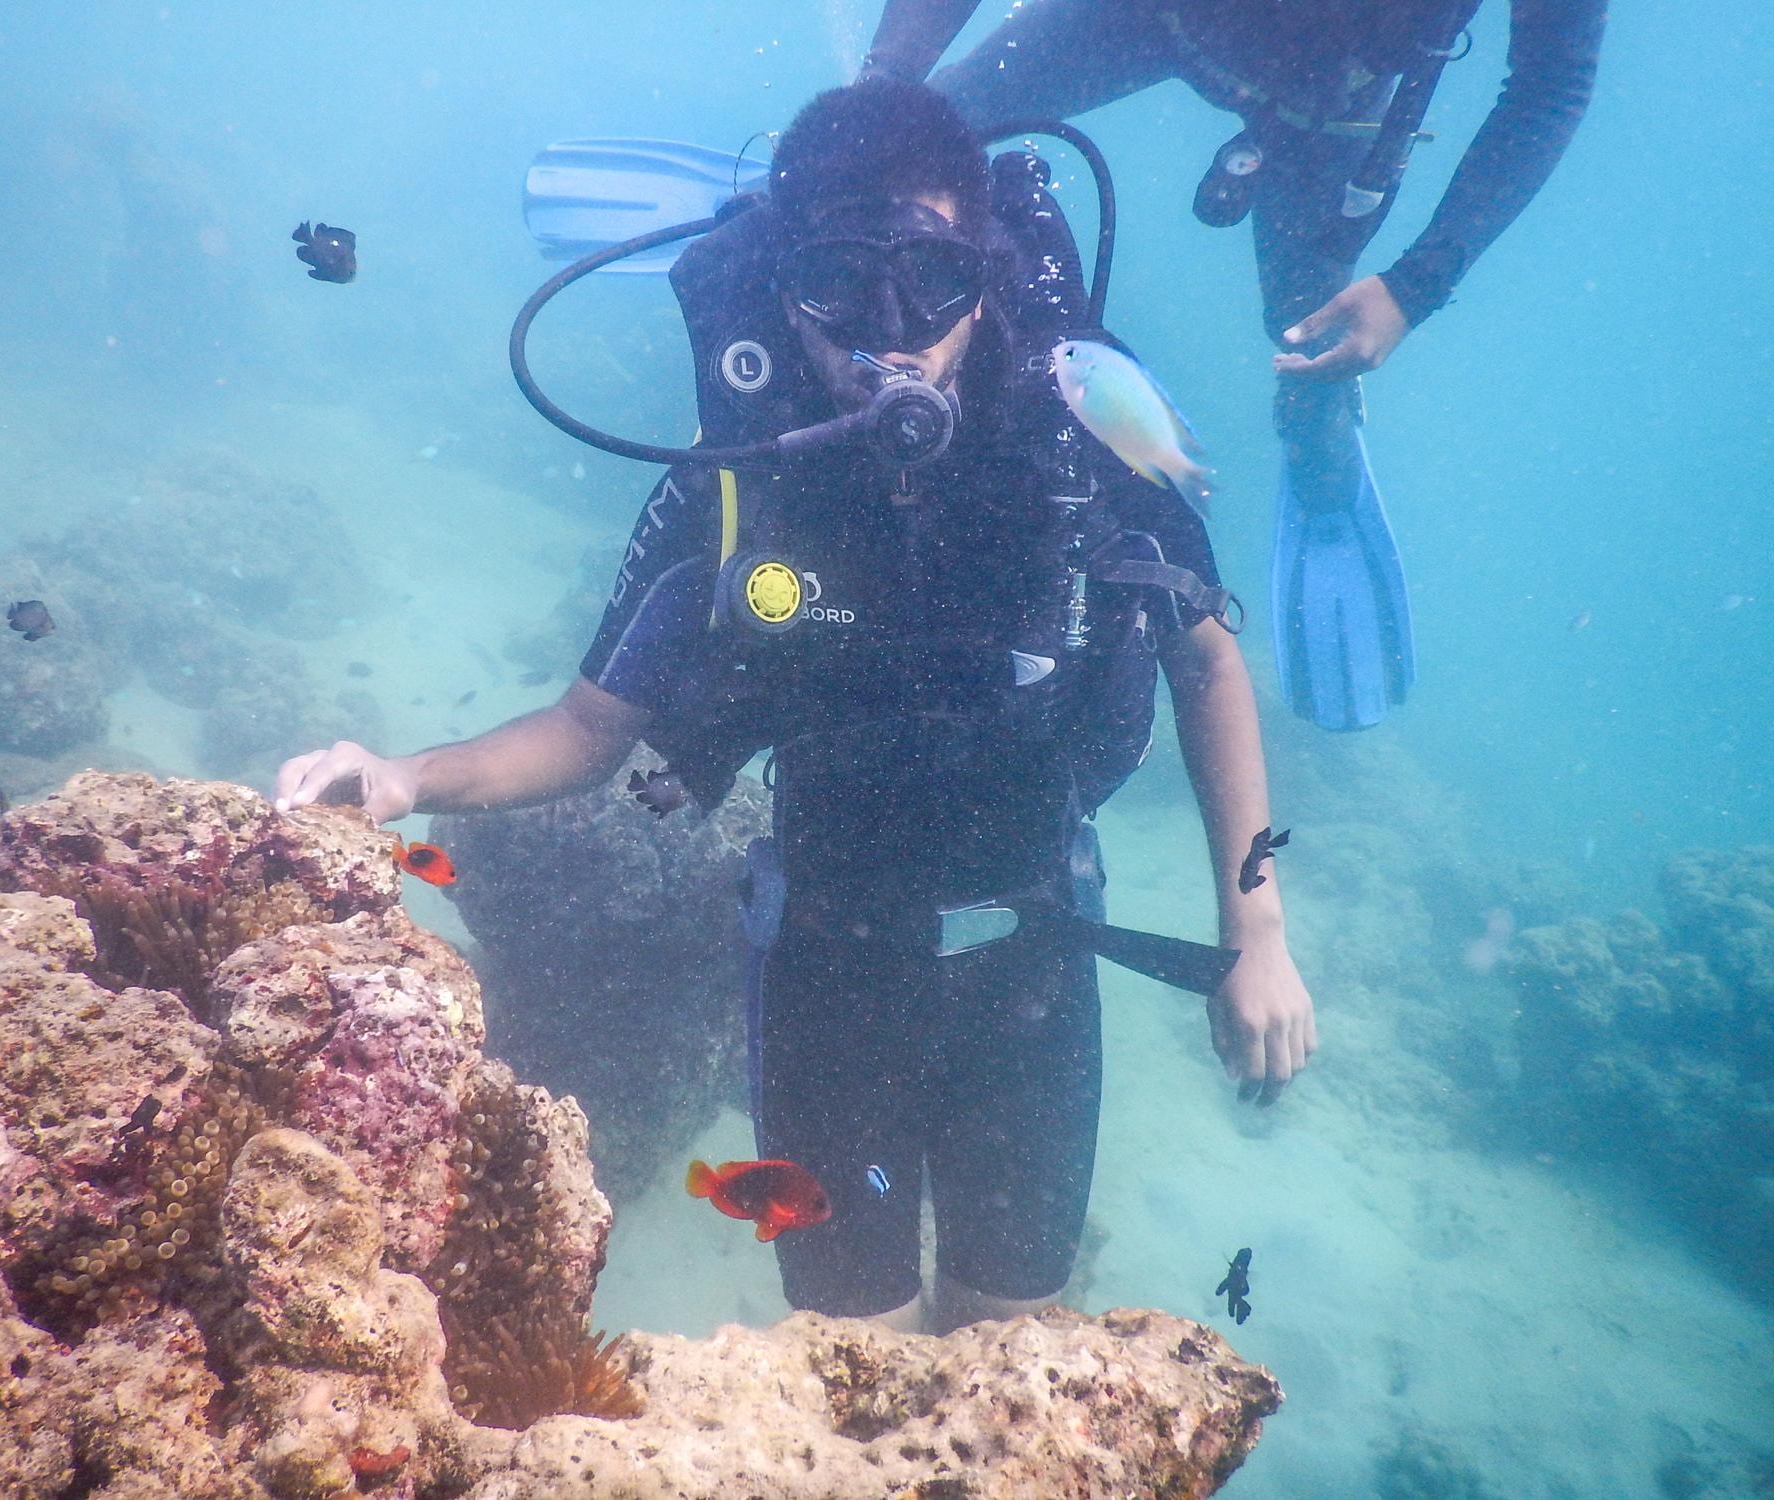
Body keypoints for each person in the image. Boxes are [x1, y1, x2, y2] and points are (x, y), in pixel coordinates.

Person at [277, 80, 1313, 1334]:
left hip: (1035, 972)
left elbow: (1204, 662)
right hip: (829, 977)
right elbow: (587, 729)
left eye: (928, 279)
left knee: (1013, 1356)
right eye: (835, 282)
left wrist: (1253, 934)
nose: (888, 332)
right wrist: (402, 776)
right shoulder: (734, 493)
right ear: (778, 287)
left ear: (983, 275)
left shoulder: (1075, 444)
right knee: (851, 1367)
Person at [862, 0, 1604, 731]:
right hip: (1156, 16)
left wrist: (1416, 288)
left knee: (1310, 341)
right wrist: (884, 80)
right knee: (897, 146)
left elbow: (1551, 84)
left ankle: (1323, 448)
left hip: (1330, 111)